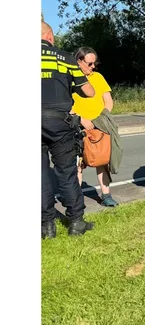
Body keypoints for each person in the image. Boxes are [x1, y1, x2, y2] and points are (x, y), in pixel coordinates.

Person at [42, 21, 95, 238]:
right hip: (60, 123)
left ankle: (46, 227)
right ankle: (75, 222)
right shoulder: (65, 58)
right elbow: (90, 92)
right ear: (51, 37)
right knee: (66, 172)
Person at [71, 47, 119, 207]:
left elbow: (108, 101)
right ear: (79, 61)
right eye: (89, 63)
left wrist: (102, 118)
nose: (93, 67)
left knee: (102, 162)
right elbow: (65, 105)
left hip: (99, 126)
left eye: (95, 63)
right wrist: (81, 119)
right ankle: (78, 202)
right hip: (77, 127)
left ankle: (106, 196)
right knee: (77, 165)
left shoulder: (98, 77)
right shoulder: (68, 78)